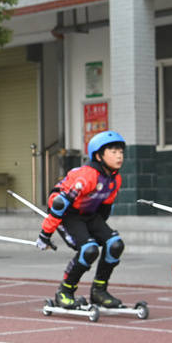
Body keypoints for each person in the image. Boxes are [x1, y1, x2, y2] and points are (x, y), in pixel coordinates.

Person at [36, 130, 125, 309]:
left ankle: (99, 291)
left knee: (115, 245)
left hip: (89, 215)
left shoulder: (115, 179)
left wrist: (102, 234)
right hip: (69, 215)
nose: (119, 156)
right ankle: (65, 292)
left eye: (121, 152)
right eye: (113, 152)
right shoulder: (87, 176)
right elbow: (60, 205)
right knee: (89, 250)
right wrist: (45, 235)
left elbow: (105, 207)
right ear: (99, 156)